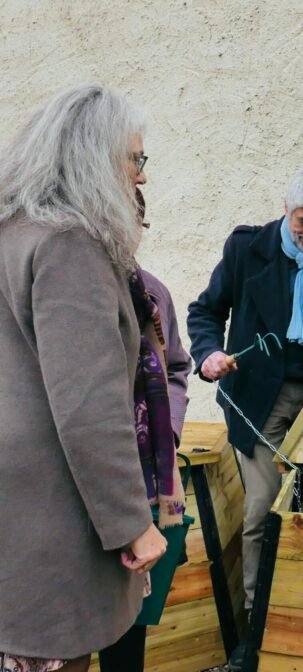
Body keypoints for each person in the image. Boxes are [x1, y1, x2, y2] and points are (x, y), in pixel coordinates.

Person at [0, 86, 167, 672]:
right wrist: (133, 525)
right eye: (135, 159)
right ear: (95, 159)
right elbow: (89, 408)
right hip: (50, 514)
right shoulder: (69, 246)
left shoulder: (12, 233)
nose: (141, 177)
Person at [187, 169, 303, 670]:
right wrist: (208, 356)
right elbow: (205, 312)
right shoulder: (245, 249)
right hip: (259, 401)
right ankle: (257, 629)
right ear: (285, 209)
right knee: (262, 511)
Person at [97, 186, 193, 671]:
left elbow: (176, 368)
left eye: (135, 224)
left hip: (140, 485)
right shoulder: (67, 291)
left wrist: (166, 432)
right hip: (77, 481)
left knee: (127, 627)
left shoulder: (151, 295)